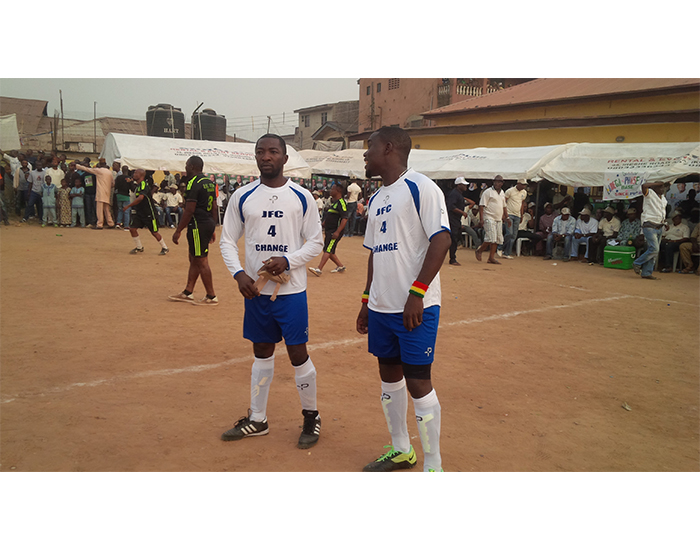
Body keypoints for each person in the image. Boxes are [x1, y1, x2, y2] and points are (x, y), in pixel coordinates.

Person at [219, 134, 324, 450]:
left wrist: (288, 260)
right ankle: (258, 419)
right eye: (260, 152)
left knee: (297, 354)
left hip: (291, 292)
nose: (266, 156)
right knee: (262, 351)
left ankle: (311, 416)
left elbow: (316, 242)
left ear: (284, 158)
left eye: (273, 151)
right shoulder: (242, 196)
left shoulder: (301, 197)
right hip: (256, 292)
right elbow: (227, 240)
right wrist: (239, 274)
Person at [357, 126, 450, 473]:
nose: (365, 154)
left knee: (418, 381)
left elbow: (441, 240)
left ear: (389, 148)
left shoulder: (421, 187)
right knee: (389, 378)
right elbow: (374, 253)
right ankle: (401, 450)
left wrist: (417, 292)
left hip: (415, 307)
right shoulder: (376, 198)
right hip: (381, 307)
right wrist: (366, 300)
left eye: (370, 147)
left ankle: (433, 466)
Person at [169, 156, 218, 305]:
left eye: (186, 165)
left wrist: (178, 230)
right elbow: (214, 206)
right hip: (207, 223)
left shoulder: (193, 183)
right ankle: (188, 292)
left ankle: (211, 296)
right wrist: (212, 226)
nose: (185, 168)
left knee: (201, 260)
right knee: (194, 257)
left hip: (197, 225)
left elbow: (189, 210)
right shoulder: (209, 183)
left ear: (192, 166)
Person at [122, 169, 169, 255]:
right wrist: (130, 181)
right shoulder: (138, 185)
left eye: (136, 173)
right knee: (132, 229)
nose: (134, 174)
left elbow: (140, 198)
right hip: (140, 212)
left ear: (141, 175)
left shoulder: (143, 184)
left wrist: (128, 206)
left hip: (149, 213)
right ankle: (139, 247)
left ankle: (164, 247)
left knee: (154, 232)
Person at [309, 182, 348, 275]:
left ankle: (319, 269)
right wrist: (324, 223)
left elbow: (345, 218)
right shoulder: (334, 203)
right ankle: (340, 266)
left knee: (328, 249)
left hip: (334, 231)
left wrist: (338, 232)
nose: (331, 190)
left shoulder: (341, 203)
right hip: (329, 230)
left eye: (333, 189)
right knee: (328, 249)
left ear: (338, 191)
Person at [632, 182, 668, 280]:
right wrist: (656, 182)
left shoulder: (663, 198)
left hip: (659, 226)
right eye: (660, 187)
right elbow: (643, 186)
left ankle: (646, 272)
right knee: (654, 249)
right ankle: (637, 262)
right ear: (655, 187)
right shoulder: (650, 193)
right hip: (649, 225)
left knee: (653, 251)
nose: (662, 189)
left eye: (663, 187)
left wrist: (665, 222)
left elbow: (662, 212)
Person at [475, 175, 509, 264]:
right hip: (489, 217)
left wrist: (507, 217)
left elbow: (504, 206)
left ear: (502, 183)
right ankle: (479, 250)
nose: (497, 183)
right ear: (493, 182)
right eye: (496, 182)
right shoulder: (488, 192)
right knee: (490, 238)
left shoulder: (502, 193)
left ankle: (491, 258)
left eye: (499, 182)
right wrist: (481, 219)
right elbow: (481, 206)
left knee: (497, 239)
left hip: (498, 218)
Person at [446, 177, 474, 265]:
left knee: (456, 237)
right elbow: (451, 207)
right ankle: (452, 259)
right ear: (459, 185)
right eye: (464, 185)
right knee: (453, 238)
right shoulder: (454, 194)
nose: (466, 186)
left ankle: (452, 256)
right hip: (452, 219)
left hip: (456, 219)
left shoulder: (459, 194)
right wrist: (462, 212)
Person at [501, 178, 528, 258]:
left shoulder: (524, 192)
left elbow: (522, 204)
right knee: (509, 233)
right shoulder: (510, 191)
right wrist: (504, 214)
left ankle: (507, 252)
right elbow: (503, 202)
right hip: (509, 214)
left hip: (517, 215)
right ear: (518, 183)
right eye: (522, 184)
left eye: (525, 185)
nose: (523, 186)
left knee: (514, 235)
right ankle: (500, 247)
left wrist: (521, 215)